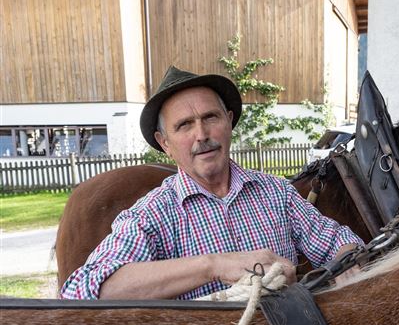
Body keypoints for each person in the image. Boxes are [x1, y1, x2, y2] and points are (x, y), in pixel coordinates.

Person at [61, 66, 363, 300]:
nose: (201, 134)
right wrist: (213, 266)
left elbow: (339, 243)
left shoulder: (276, 193)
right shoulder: (152, 214)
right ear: (164, 142)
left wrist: (347, 261)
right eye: (184, 125)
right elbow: (83, 289)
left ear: (229, 122)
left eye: (211, 117)